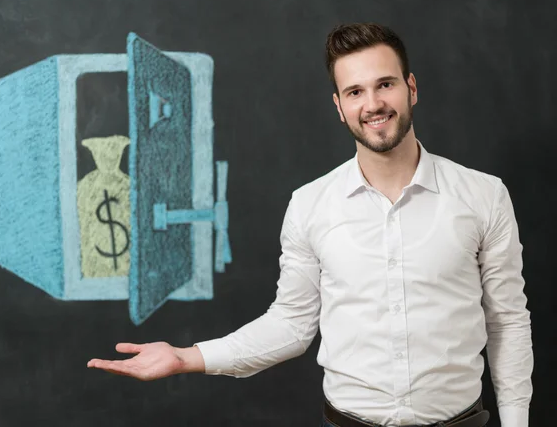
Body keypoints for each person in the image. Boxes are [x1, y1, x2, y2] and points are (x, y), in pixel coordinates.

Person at [87, 22, 533, 427]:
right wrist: (186, 357)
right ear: (339, 107)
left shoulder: (483, 195)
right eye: (355, 92)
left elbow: (507, 321)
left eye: (385, 84)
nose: (373, 104)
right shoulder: (309, 205)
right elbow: (290, 325)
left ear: (411, 88)